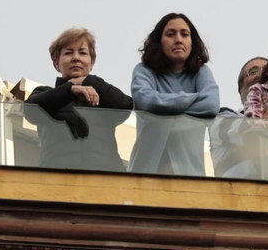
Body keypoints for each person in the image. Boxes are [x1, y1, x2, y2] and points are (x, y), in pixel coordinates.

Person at [25, 28, 133, 173]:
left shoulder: (104, 96)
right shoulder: (44, 93)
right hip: (57, 178)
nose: (76, 58)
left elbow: (126, 105)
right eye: (68, 53)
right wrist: (70, 89)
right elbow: (30, 110)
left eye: (82, 53)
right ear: (56, 62)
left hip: (107, 177)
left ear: (92, 62)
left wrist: (88, 80)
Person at [130, 12, 219, 175]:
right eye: (170, 34)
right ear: (159, 41)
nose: (178, 39)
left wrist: (163, 108)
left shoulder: (201, 72)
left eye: (184, 34)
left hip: (190, 174)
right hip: (146, 172)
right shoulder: (144, 71)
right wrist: (192, 97)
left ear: (192, 42)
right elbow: (146, 101)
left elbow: (211, 105)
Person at [211, 56, 267, 178]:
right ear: (241, 89)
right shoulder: (224, 118)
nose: (260, 75)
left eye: (267, 70)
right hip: (236, 194)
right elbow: (250, 130)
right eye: (253, 72)